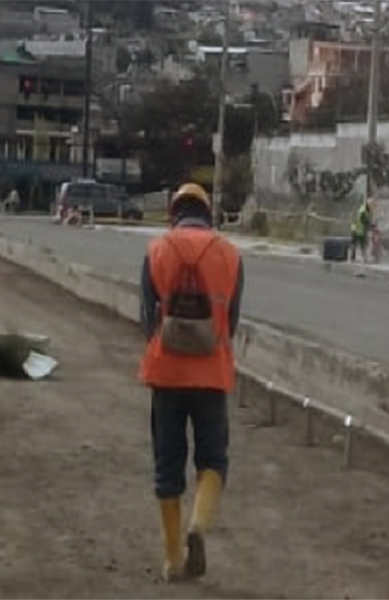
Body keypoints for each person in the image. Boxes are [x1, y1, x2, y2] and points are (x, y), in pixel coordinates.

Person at [139, 182, 244, 582]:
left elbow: (147, 320)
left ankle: (171, 560)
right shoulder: (231, 255)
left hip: (166, 372)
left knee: (167, 465)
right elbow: (230, 322)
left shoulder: (156, 251)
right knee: (213, 458)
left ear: (174, 212)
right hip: (212, 373)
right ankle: (198, 525)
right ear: (208, 212)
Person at [350, 198, 373, 263]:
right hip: (359, 230)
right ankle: (365, 259)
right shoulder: (363, 212)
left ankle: (352, 258)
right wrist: (370, 226)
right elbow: (365, 221)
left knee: (354, 244)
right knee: (362, 244)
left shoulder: (362, 209)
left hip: (355, 228)